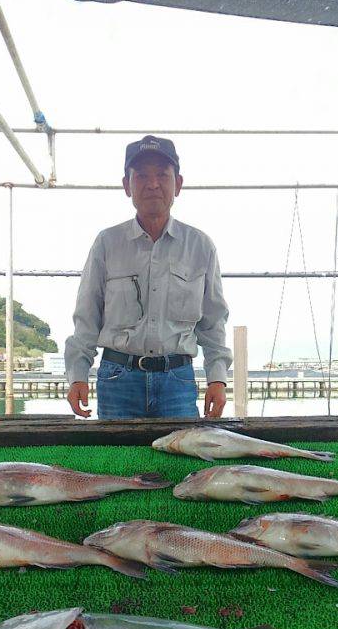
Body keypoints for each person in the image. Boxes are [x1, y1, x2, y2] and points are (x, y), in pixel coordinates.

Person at [65, 135, 232, 420]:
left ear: (177, 184)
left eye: (162, 175)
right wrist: (77, 374)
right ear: (126, 185)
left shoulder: (200, 246)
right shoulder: (107, 243)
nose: (152, 184)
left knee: (180, 461)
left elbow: (213, 321)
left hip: (177, 381)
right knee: (115, 461)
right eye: (141, 175)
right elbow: (87, 315)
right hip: (118, 380)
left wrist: (217, 378)